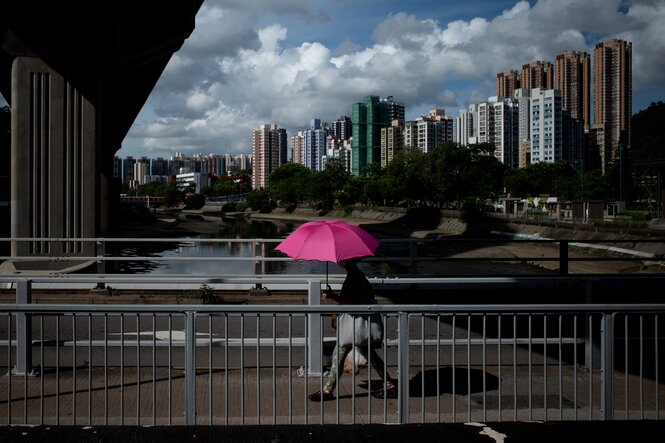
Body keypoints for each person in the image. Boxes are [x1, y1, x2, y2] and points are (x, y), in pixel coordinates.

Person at [308, 257, 398, 401]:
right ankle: (389, 385)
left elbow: (352, 302)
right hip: (359, 325)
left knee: (339, 354)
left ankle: (327, 391)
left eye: (341, 261)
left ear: (345, 262)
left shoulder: (354, 277)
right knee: (370, 356)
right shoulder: (358, 275)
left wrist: (332, 297)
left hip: (353, 325)